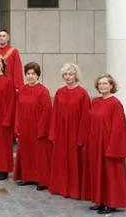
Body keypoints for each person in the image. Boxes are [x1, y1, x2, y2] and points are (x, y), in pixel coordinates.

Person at [80, 74, 126, 215]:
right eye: (100, 84)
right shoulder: (95, 101)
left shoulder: (115, 104)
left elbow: (118, 128)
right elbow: (90, 122)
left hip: (109, 144)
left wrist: (113, 147)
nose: (102, 86)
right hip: (95, 144)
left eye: (105, 83)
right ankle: (100, 200)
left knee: (110, 174)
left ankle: (112, 203)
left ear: (111, 86)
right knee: (98, 173)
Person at [48, 63, 90, 199]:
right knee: (61, 160)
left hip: (75, 132)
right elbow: (54, 113)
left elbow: (85, 117)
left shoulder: (82, 93)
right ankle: (60, 187)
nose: (68, 77)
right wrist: (53, 132)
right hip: (61, 132)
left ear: (76, 75)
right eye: (65, 74)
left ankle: (74, 190)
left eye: (71, 74)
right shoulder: (60, 92)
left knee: (74, 162)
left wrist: (81, 137)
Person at [14, 62, 52, 191]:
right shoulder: (23, 89)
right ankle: (27, 177)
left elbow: (47, 111)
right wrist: (17, 127)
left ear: (38, 75)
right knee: (26, 153)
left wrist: (41, 130)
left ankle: (41, 180)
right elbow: (18, 109)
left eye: (33, 74)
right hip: (24, 127)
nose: (30, 76)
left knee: (38, 155)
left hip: (37, 128)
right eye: (28, 74)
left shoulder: (43, 91)